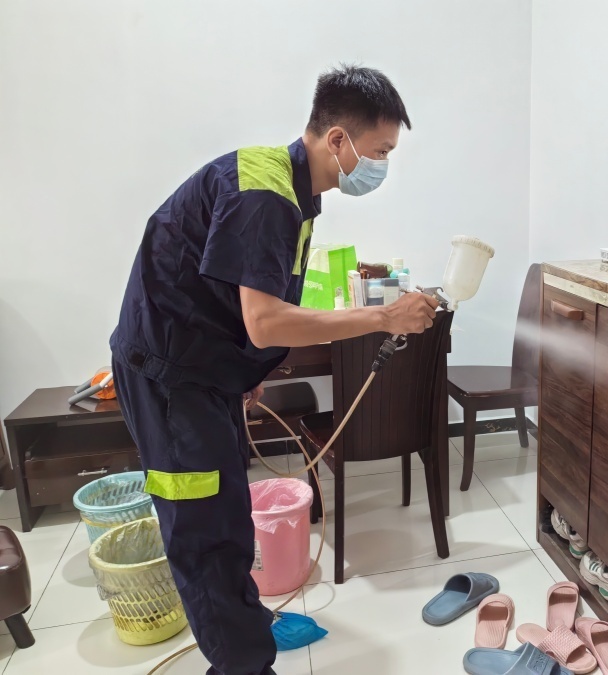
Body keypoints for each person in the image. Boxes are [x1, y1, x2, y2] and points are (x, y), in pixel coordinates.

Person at [109, 65, 437, 675]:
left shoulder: (294, 191)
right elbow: (265, 320)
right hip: (171, 380)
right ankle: (243, 664)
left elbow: (241, 304)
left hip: (204, 370)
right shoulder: (265, 194)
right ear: (338, 140)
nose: (381, 166)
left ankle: (244, 623)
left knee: (229, 511)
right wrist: (384, 317)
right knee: (206, 533)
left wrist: (247, 368)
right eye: (380, 151)